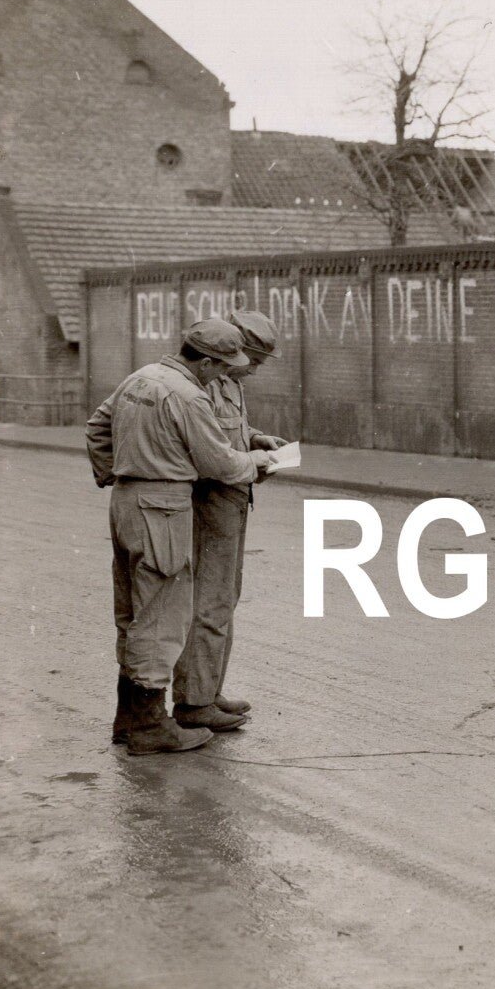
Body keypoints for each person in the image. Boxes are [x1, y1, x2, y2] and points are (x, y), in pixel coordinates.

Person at [86, 317, 279, 757]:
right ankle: (149, 726)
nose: (226, 373)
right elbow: (221, 464)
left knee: (134, 613)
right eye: (222, 365)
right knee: (162, 616)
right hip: (164, 506)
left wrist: (120, 473)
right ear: (206, 362)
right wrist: (256, 463)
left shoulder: (140, 377)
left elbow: (97, 427)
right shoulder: (188, 394)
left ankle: (129, 719)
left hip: (126, 502)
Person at [172, 308, 287, 723]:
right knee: (210, 600)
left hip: (233, 498)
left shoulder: (230, 382)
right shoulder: (204, 381)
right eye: (251, 360)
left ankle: (209, 690)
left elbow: (229, 431)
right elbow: (209, 449)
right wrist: (252, 461)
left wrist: (256, 439)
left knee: (224, 597)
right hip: (211, 500)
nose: (252, 369)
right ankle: (194, 702)